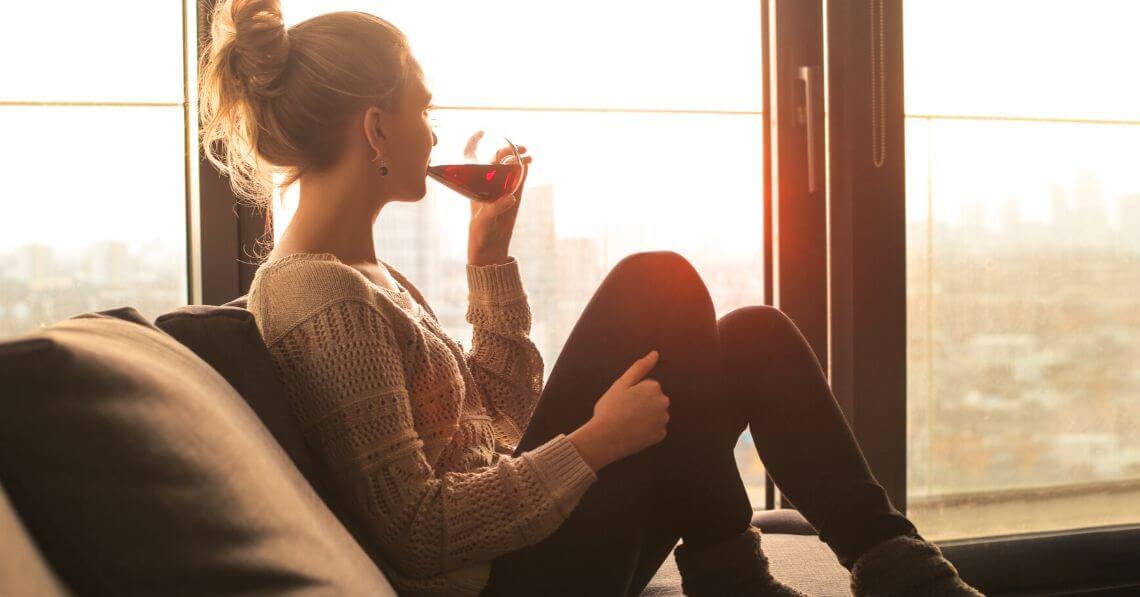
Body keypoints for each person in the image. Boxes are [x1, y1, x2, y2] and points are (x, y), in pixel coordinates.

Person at [199, 1, 984, 595]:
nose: (434, 133)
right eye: (422, 106)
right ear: (375, 129)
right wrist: (596, 442)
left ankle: (906, 575)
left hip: (531, 546)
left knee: (752, 335)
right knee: (657, 281)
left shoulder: (363, 273)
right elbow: (416, 533)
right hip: (511, 581)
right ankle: (734, 580)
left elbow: (501, 421)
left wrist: (488, 260)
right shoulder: (320, 296)